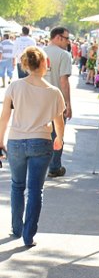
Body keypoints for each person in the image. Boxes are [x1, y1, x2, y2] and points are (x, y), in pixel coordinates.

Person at [0, 46, 65, 248]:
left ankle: (16, 228)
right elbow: (59, 121)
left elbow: (4, 117)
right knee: (35, 189)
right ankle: (28, 235)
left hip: (16, 141)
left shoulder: (15, 86)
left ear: (26, 64)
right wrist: (60, 138)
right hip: (42, 140)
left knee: (17, 186)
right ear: (45, 64)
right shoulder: (54, 92)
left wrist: (0, 140)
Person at [43, 27, 72, 178]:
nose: (68, 41)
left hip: (38, 101)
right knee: (57, 134)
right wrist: (68, 103)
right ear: (58, 37)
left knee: (40, 133)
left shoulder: (39, 52)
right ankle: (54, 167)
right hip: (56, 101)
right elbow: (64, 81)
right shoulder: (64, 55)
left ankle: (39, 163)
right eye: (67, 38)